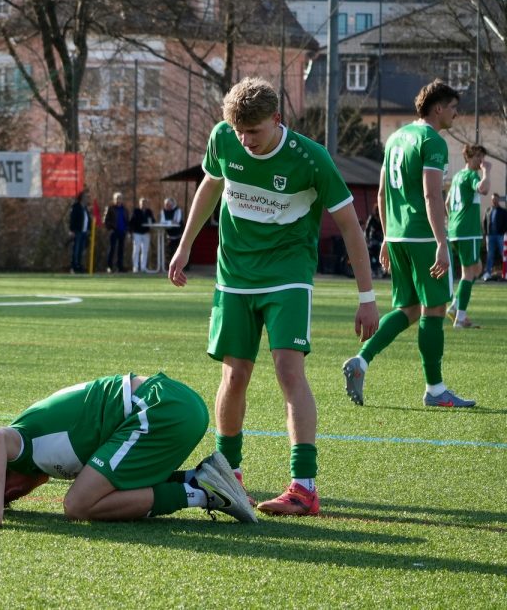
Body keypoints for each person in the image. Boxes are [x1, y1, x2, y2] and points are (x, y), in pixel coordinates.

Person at [168, 77, 379, 517]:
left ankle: (304, 487)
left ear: (277, 120)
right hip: (234, 276)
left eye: (255, 132)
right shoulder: (224, 138)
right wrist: (186, 244)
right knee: (234, 374)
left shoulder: (310, 159)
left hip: (287, 274)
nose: (245, 141)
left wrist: (367, 297)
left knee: (288, 368)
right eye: (239, 131)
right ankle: (229, 475)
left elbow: (350, 228)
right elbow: (210, 185)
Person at [0, 373, 257, 526]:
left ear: (8, 479)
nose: (18, 496)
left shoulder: (19, 441)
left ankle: (195, 493)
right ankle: (200, 480)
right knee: (94, 490)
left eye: (10, 494)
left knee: (77, 504)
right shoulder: (30, 461)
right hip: (173, 407)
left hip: (158, 409)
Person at [343, 80, 477, 409]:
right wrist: (441, 243)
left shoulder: (397, 137)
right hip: (422, 236)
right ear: (438, 108)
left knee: (408, 309)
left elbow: (381, 194)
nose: (456, 114)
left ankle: (361, 361)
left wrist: (387, 236)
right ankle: (435, 389)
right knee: (432, 310)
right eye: (454, 107)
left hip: (400, 235)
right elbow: (432, 194)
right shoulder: (431, 140)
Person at [445, 144, 491, 327]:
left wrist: (453, 221)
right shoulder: (472, 175)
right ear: (470, 158)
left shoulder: (457, 176)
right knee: (468, 272)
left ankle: (455, 306)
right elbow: (483, 189)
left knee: (477, 268)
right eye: (479, 157)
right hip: (468, 231)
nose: (482, 161)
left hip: (456, 230)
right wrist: (486, 172)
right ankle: (460, 318)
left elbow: (447, 202)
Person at [129, 197, 156, 273]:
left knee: (145, 251)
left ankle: (143, 267)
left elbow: (153, 221)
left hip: (146, 233)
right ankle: (135, 267)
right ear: (140, 204)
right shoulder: (136, 211)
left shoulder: (149, 211)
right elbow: (131, 222)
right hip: (137, 233)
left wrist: (150, 223)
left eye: (145, 203)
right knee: (136, 250)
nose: (144, 204)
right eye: (142, 203)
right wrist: (131, 232)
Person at [103, 192, 128, 273]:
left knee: (121, 250)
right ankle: (109, 267)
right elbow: (105, 220)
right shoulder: (110, 208)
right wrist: (110, 228)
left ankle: (119, 267)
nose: (118, 200)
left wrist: (126, 229)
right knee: (112, 249)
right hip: (114, 231)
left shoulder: (124, 209)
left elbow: (126, 220)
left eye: (120, 198)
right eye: (117, 198)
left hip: (122, 231)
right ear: (114, 200)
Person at [484, 192, 506, 281]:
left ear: (498, 200)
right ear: (491, 200)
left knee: (503, 254)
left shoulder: (503, 211)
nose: (494, 201)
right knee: (490, 255)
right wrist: (486, 233)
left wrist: (503, 232)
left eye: (496, 199)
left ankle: (505, 273)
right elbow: (484, 222)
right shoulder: (488, 210)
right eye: (493, 199)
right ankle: (487, 273)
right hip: (490, 236)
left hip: (500, 236)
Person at [67, 190, 90, 273]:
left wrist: (88, 229)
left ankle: (79, 265)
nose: (87, 198)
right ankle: (73, 266)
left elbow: (87, 219)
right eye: (86, 197)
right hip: (77, 231)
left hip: (84, 232)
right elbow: (72, 219)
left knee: (81, 250)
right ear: (81, 198)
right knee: (75, 250)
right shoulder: (76, 207)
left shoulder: (85, 208)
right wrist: (71, 230)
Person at [161, 197, 184, 261]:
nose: (167, 206)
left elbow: (177, 221)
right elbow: (162, 221)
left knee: (178, 252)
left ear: (172, 204)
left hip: (178, 235)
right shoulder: (163, 211)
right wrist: (171, 221)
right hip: (169, 235)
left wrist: (168, 222)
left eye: (168, 204)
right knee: (169, 252)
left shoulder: (177, 210)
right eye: (165, 205)